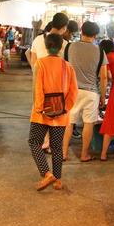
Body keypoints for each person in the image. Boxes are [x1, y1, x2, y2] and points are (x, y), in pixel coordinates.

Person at [29, 33, 77, 191]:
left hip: (41, 114)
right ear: (62, 47)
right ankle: (58, 181)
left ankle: (47, 173)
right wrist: (65, 108)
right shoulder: (68, 66)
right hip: (61, 114)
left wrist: (40, 108)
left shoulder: (40, 63)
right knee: (57, 147)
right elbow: (73, 91)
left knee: (34, 142)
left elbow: (37, 88)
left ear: (46, 46)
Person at [62, 21, 107, 162]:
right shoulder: (100, 51)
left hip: (72, 90)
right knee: (89, 123)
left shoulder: (69, 47)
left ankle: (63, 153)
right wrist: (103, 96)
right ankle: (84, 155)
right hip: (91, 92)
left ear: (81, 31)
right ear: (95, 35)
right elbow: (104, 77)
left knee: (69, 122)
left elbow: (64, 69)